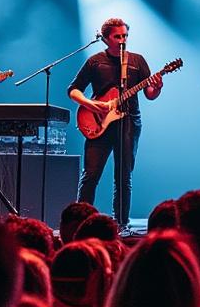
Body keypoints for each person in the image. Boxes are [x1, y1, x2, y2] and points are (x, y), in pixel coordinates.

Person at [69, 17, 163, 226]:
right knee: (90, 175)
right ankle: (79, 223)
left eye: (125, 36)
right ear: (106, 39)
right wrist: (93, 105)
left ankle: (121, 223)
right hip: (98, 123)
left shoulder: (137, 61)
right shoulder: (95, 61)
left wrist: (156, 88)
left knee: (123, 177)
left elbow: (149, 93)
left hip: (129, 122)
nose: (122, 40)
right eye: (117, 36)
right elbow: (73, 90)